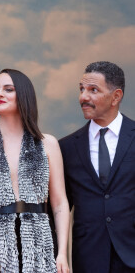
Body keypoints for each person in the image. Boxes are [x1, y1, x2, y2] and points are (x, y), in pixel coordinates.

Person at [0, 69, 70, 273]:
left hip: (40, 248)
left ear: (23, 95)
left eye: (8, 89)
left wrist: (62, 254)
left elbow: (59, 204)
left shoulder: (47, 144)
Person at [59, 61, 135, 273]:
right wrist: (1, 215)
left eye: (93, 90)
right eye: (81, 89)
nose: (83, 97)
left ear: (116, 96)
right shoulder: (66, 147)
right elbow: (56, 207)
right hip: (88, 259)